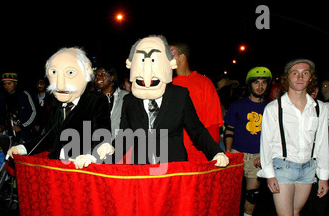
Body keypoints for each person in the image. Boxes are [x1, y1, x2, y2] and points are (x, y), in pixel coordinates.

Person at [257, 59, 329, 216]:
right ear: (287, 77)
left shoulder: (318, 108)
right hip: (282, 166)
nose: (300, 77)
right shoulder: (273, 108)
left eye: (305, 73)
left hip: (308, 169)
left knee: (294, 214)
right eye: (295, 73)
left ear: (311, 78)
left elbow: (322, 144)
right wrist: (268, 173)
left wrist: (323, 176)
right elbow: (266, 144)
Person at [106, 35, 228, 167]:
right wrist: (101, 157)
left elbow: (196, 130)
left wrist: (216, 152)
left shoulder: (179, 95)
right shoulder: (130, 100)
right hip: (141, 170)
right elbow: (125, 137)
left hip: (173, 169)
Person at [7, 47, 111, 169]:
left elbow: (102, 135)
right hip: (57, 167)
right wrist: (23, 148)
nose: (60, 84)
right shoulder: (54, 101)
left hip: (81, 169)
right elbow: (50, 136)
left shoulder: (96, 101)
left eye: (70, 73)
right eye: (54, 73)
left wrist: (91, 156)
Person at [224, 66, 272, 216]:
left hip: (258, 156)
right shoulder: (238, 106)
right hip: (237, 153)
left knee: (253, 193)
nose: (260, 86)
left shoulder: (271, 108)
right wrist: (228, 152)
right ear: (249, 85)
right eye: (256, 82)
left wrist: (266, 155)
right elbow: (229, 130)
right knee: (230, 193)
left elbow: (273, 136)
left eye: (263, 83)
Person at [294, 80, 329, 216]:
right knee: (298, 208)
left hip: (321, 169)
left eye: (314, 90)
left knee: (318, 208)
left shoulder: (323, 109)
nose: (310, 93)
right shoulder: (292, 108)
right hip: (299, 167)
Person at [169, 42, 224, 162]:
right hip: (170, 157)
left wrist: (212, 155)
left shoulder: (204, 84)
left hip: (198, 157)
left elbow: (213, 124)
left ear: (181, 58)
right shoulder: (164, 84)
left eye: (169, 55)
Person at [0, 72, 37, 144]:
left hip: (24, 134)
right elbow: (0, 113)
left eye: (9, 84)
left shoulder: (24, 95)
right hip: (10, 134)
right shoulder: (2, 96)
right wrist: (1, 126)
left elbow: (33, 112)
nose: (6, 86)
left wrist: (22, 127)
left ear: (15, 83)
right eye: (4, 84)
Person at [94, 65, 128, 139]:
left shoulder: (125, 97)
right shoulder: (93, 100)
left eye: (102, 74)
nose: (98, 78)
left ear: (112, 77)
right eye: (96, 76)